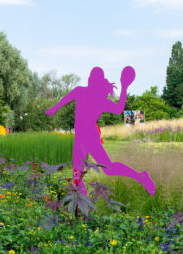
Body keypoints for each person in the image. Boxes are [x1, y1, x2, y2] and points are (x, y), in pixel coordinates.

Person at [45, 66, 155, 195]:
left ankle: (140, 177)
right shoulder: (88, 94)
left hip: (88, 136)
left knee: (92, 171)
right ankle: (81, 205)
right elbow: (67, 99)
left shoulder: (93, 97)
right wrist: (56, 107)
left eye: (92, 77)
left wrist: (124, 86)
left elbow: (119, 109)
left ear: (93, 80)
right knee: (84, 173)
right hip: (83, 136)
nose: (90, 79)